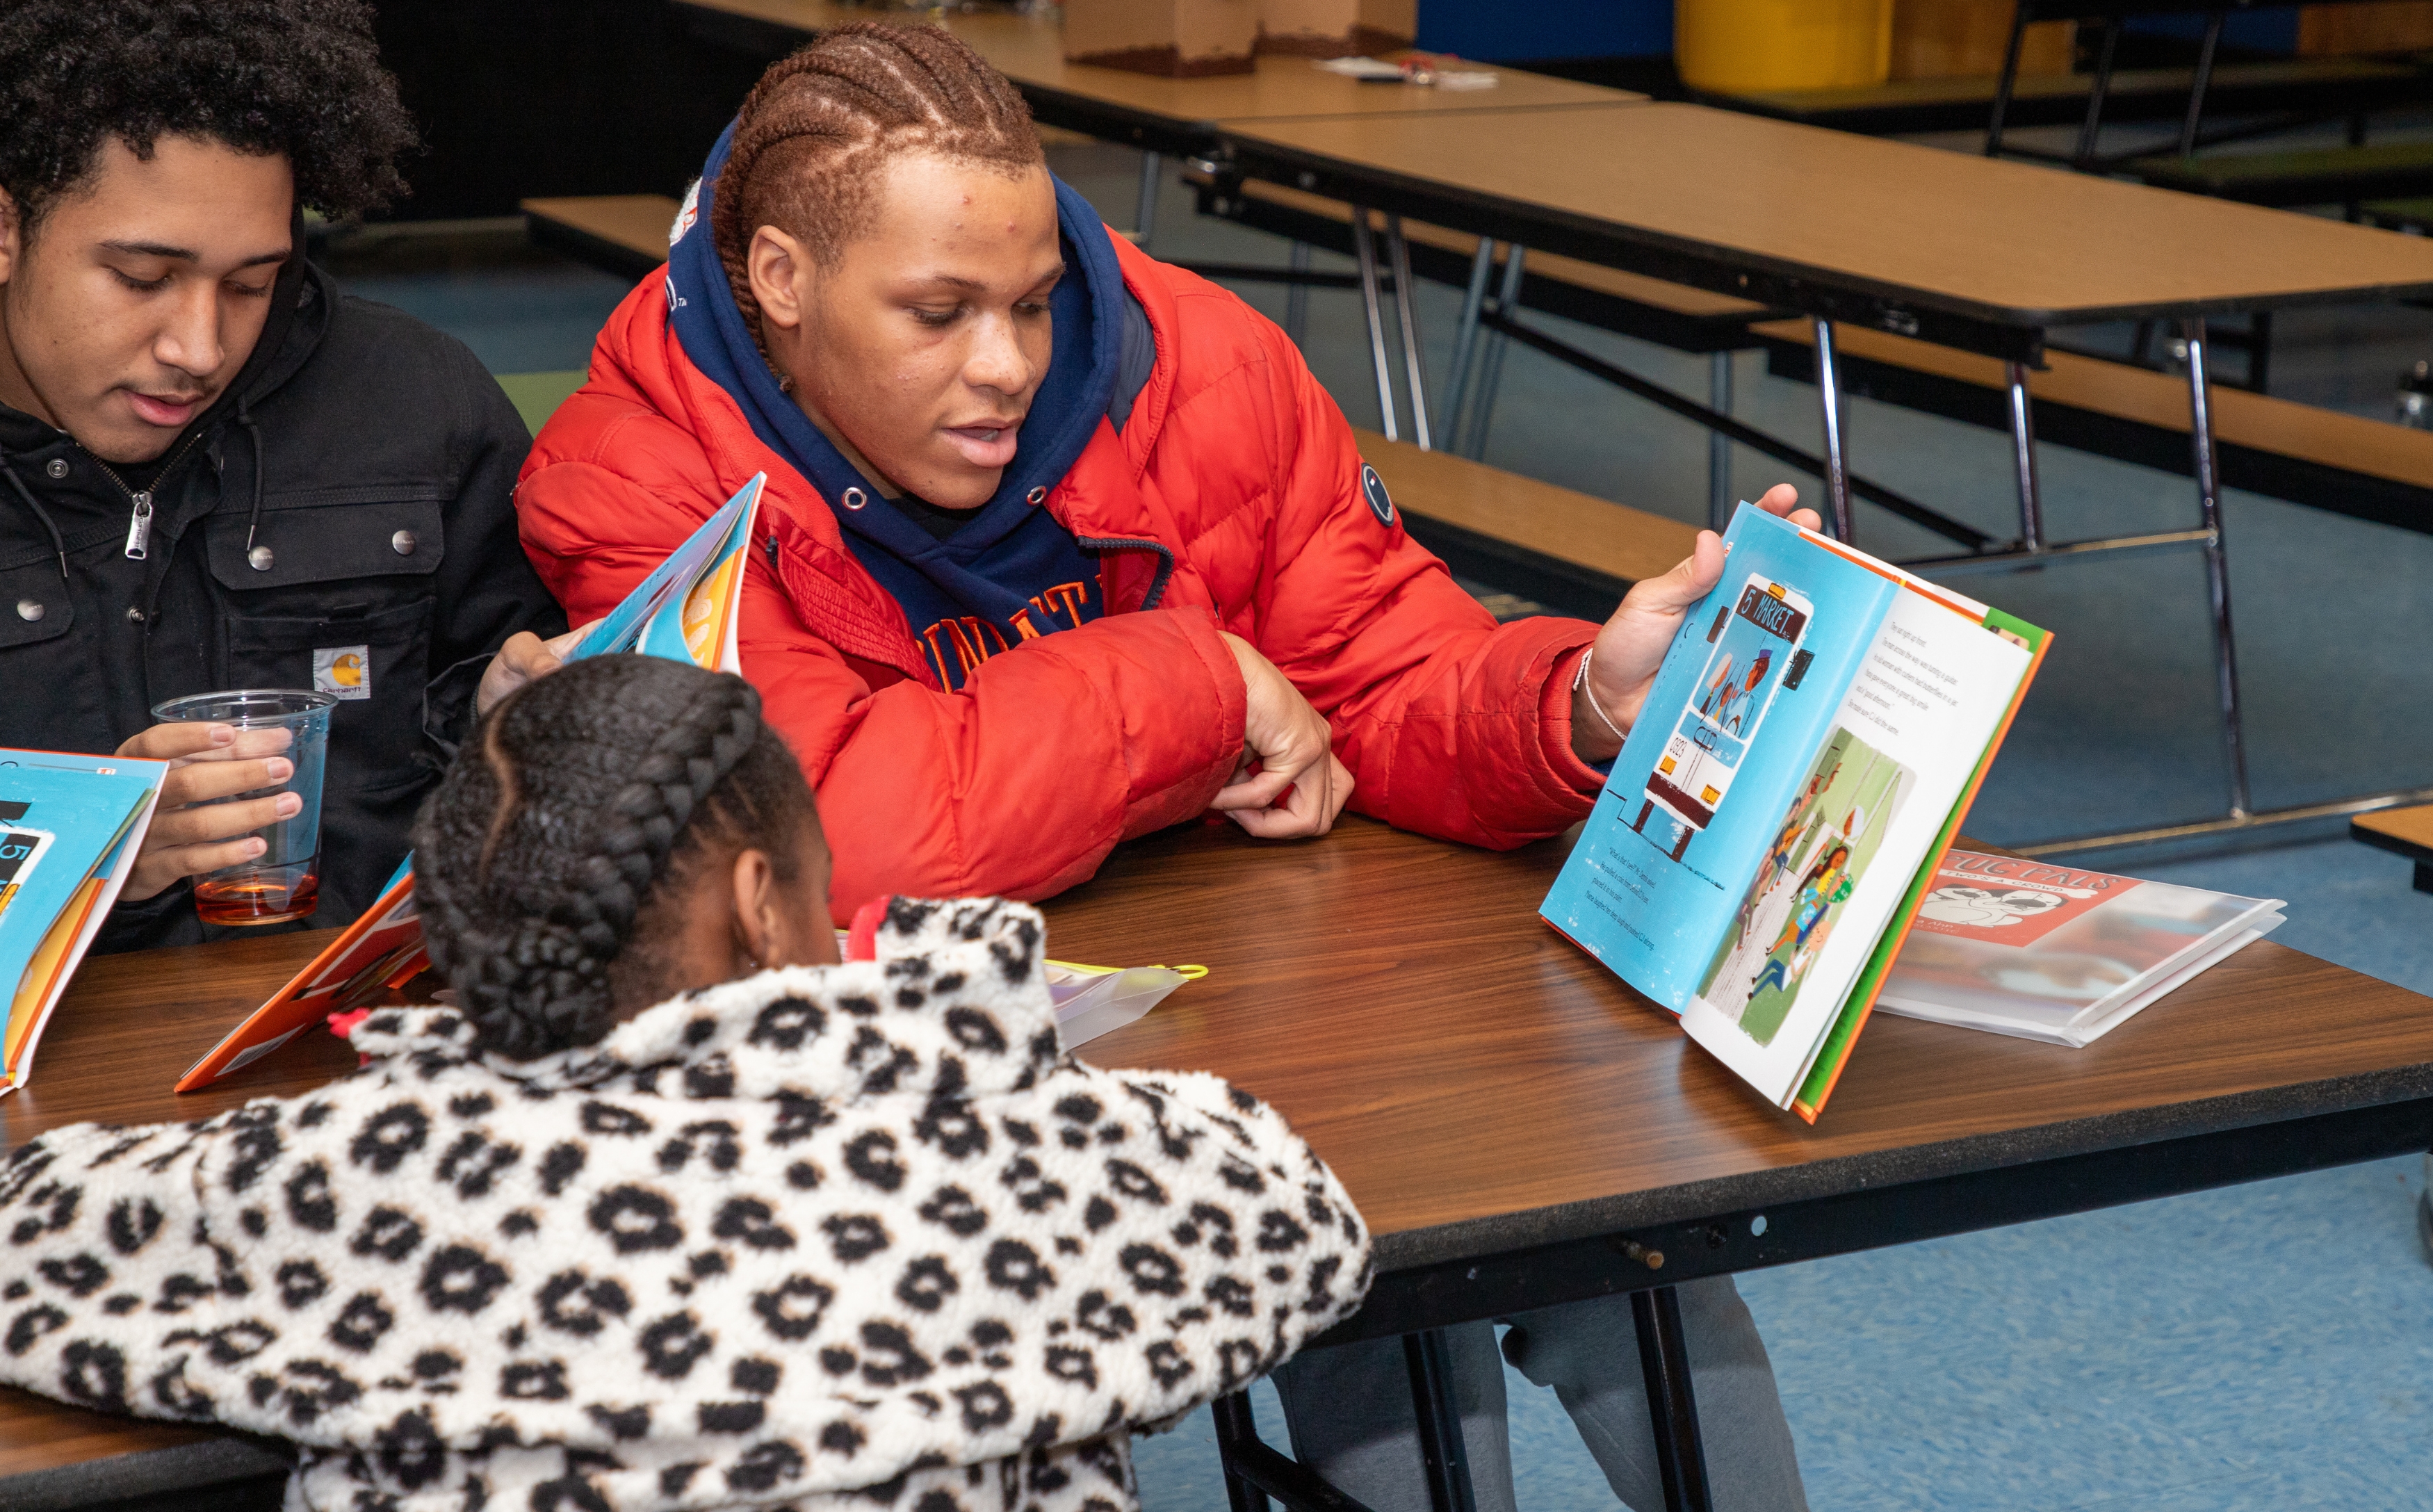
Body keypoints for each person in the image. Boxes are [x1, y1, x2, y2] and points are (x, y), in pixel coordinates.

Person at [514, 24, 1815, 1510]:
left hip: (1247, 1000)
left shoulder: (1192, 359)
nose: (1004, 364)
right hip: (901, 1095)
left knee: (1590, 1222)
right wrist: (1205, 679)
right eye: (936, 313)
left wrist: (1575, 697)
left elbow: (1380, 658)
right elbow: (838, 834)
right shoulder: (628, 475)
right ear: (782, 286)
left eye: (1031, 300)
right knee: (1344, 1255)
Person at [0, 654, 1372, 1512]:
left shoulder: (349, 1176)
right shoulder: (1022, 1167)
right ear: (765, 903)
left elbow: (36, 1222)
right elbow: (1294, 1208)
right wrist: (968, 1005)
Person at [0, 0, 569, 953]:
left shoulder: (418, 403)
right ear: (7, 227)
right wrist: (86, 861)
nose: (199, 347)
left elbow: (496, 750)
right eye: (143, 278)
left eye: (252, 283)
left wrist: (508, 727)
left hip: (376, 1042)